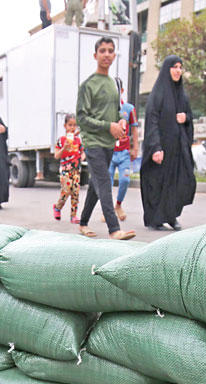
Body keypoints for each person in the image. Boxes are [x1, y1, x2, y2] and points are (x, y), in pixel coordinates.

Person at [75, 37, 135, 240]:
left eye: (110, 50)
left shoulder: (112, 84)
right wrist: (108, 126)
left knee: (95, 184)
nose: (107, 54)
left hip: (110, 143)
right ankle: (114, 229)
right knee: (104, 182)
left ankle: (83, 222)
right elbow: (81, 118)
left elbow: (118, 110)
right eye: (103, 50)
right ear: (95, 55)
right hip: (93, 143)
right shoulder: (88, 86)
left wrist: (121, 121)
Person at [140, 55, 196, 231]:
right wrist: (156, 147)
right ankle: (156, 217)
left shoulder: (182, 95)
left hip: (177, 148)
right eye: (174, 67)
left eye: (180, 67)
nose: (178, 70)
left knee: (177, 183)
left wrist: (185, 118)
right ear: (167, 69)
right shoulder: (158, 94)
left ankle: (171, 216)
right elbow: (152, 121)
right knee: (157, 183)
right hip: (162, 148)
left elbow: (189, 116)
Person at [108, 101, 138, 221]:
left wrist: (135, 148)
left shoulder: (129, 108)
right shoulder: (106, 105)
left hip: (124, 152)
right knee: (107, 181)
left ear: (122, 91)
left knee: (125, 179)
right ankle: (108, 209)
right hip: (110, 151)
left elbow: (135, 129)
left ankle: (118, 205)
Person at [53, 113, 85, 223]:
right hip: (65, 171)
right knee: (66, 191)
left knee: (75, 192)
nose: (72, 128)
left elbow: (82, 152)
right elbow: (56, 155)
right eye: (70, 125)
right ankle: (57, 207)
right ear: (65, 126)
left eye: (74, 125)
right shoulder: (61, 140)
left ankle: (73, 216)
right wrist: (64, 148)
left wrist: (82, 157)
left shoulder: (78, 140)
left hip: (76, 170)